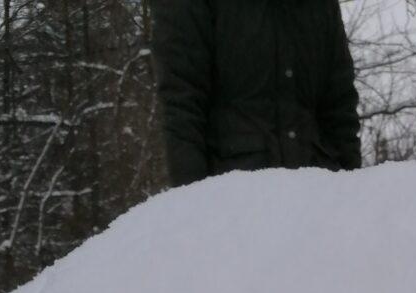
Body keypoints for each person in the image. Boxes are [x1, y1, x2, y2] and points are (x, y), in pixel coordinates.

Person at [151, 0, 361, 187]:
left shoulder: (320, 6)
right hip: (232, 199)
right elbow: (182, 105)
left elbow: (340, 111)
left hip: (317, 196)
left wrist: (349, 195)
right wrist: (194, 205)